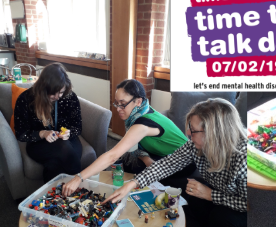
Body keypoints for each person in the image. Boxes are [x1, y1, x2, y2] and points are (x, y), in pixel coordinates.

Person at [104, 98, 247, 227]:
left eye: (193, 130)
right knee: (192, 193)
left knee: (222, 218)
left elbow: (249, 203)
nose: (188, 133)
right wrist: (133, 183)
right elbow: (167, 164)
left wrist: (210, 195)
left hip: (244, 204)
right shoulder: (195, 145)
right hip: (218, 188)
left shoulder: (244, 158)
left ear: (214, 133)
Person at [62, 79, 192, 196]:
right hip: (162, 153)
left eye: (122, 104)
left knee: (126, 159)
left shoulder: (142, 124)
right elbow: (134, 146)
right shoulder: (141, 110)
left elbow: (112, 156)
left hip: (184, 161)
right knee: (129, 158)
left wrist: (78, 177)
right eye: (116, 103)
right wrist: (146, 159)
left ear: (138, 101)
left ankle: (163, 189)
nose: (118, 109)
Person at [13, 63, 82, 183]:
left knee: (53, 164)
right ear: (42, 89)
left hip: (68, 140)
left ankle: (49, 198)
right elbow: (21, 134)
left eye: (60, 92)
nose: (57, 97)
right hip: (39, 143)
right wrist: (42, 133)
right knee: (64, 149)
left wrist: (69, 133)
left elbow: (77, 126)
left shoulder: (69, 97)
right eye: (52, 94)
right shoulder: (26, 99)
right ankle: (79, 187)